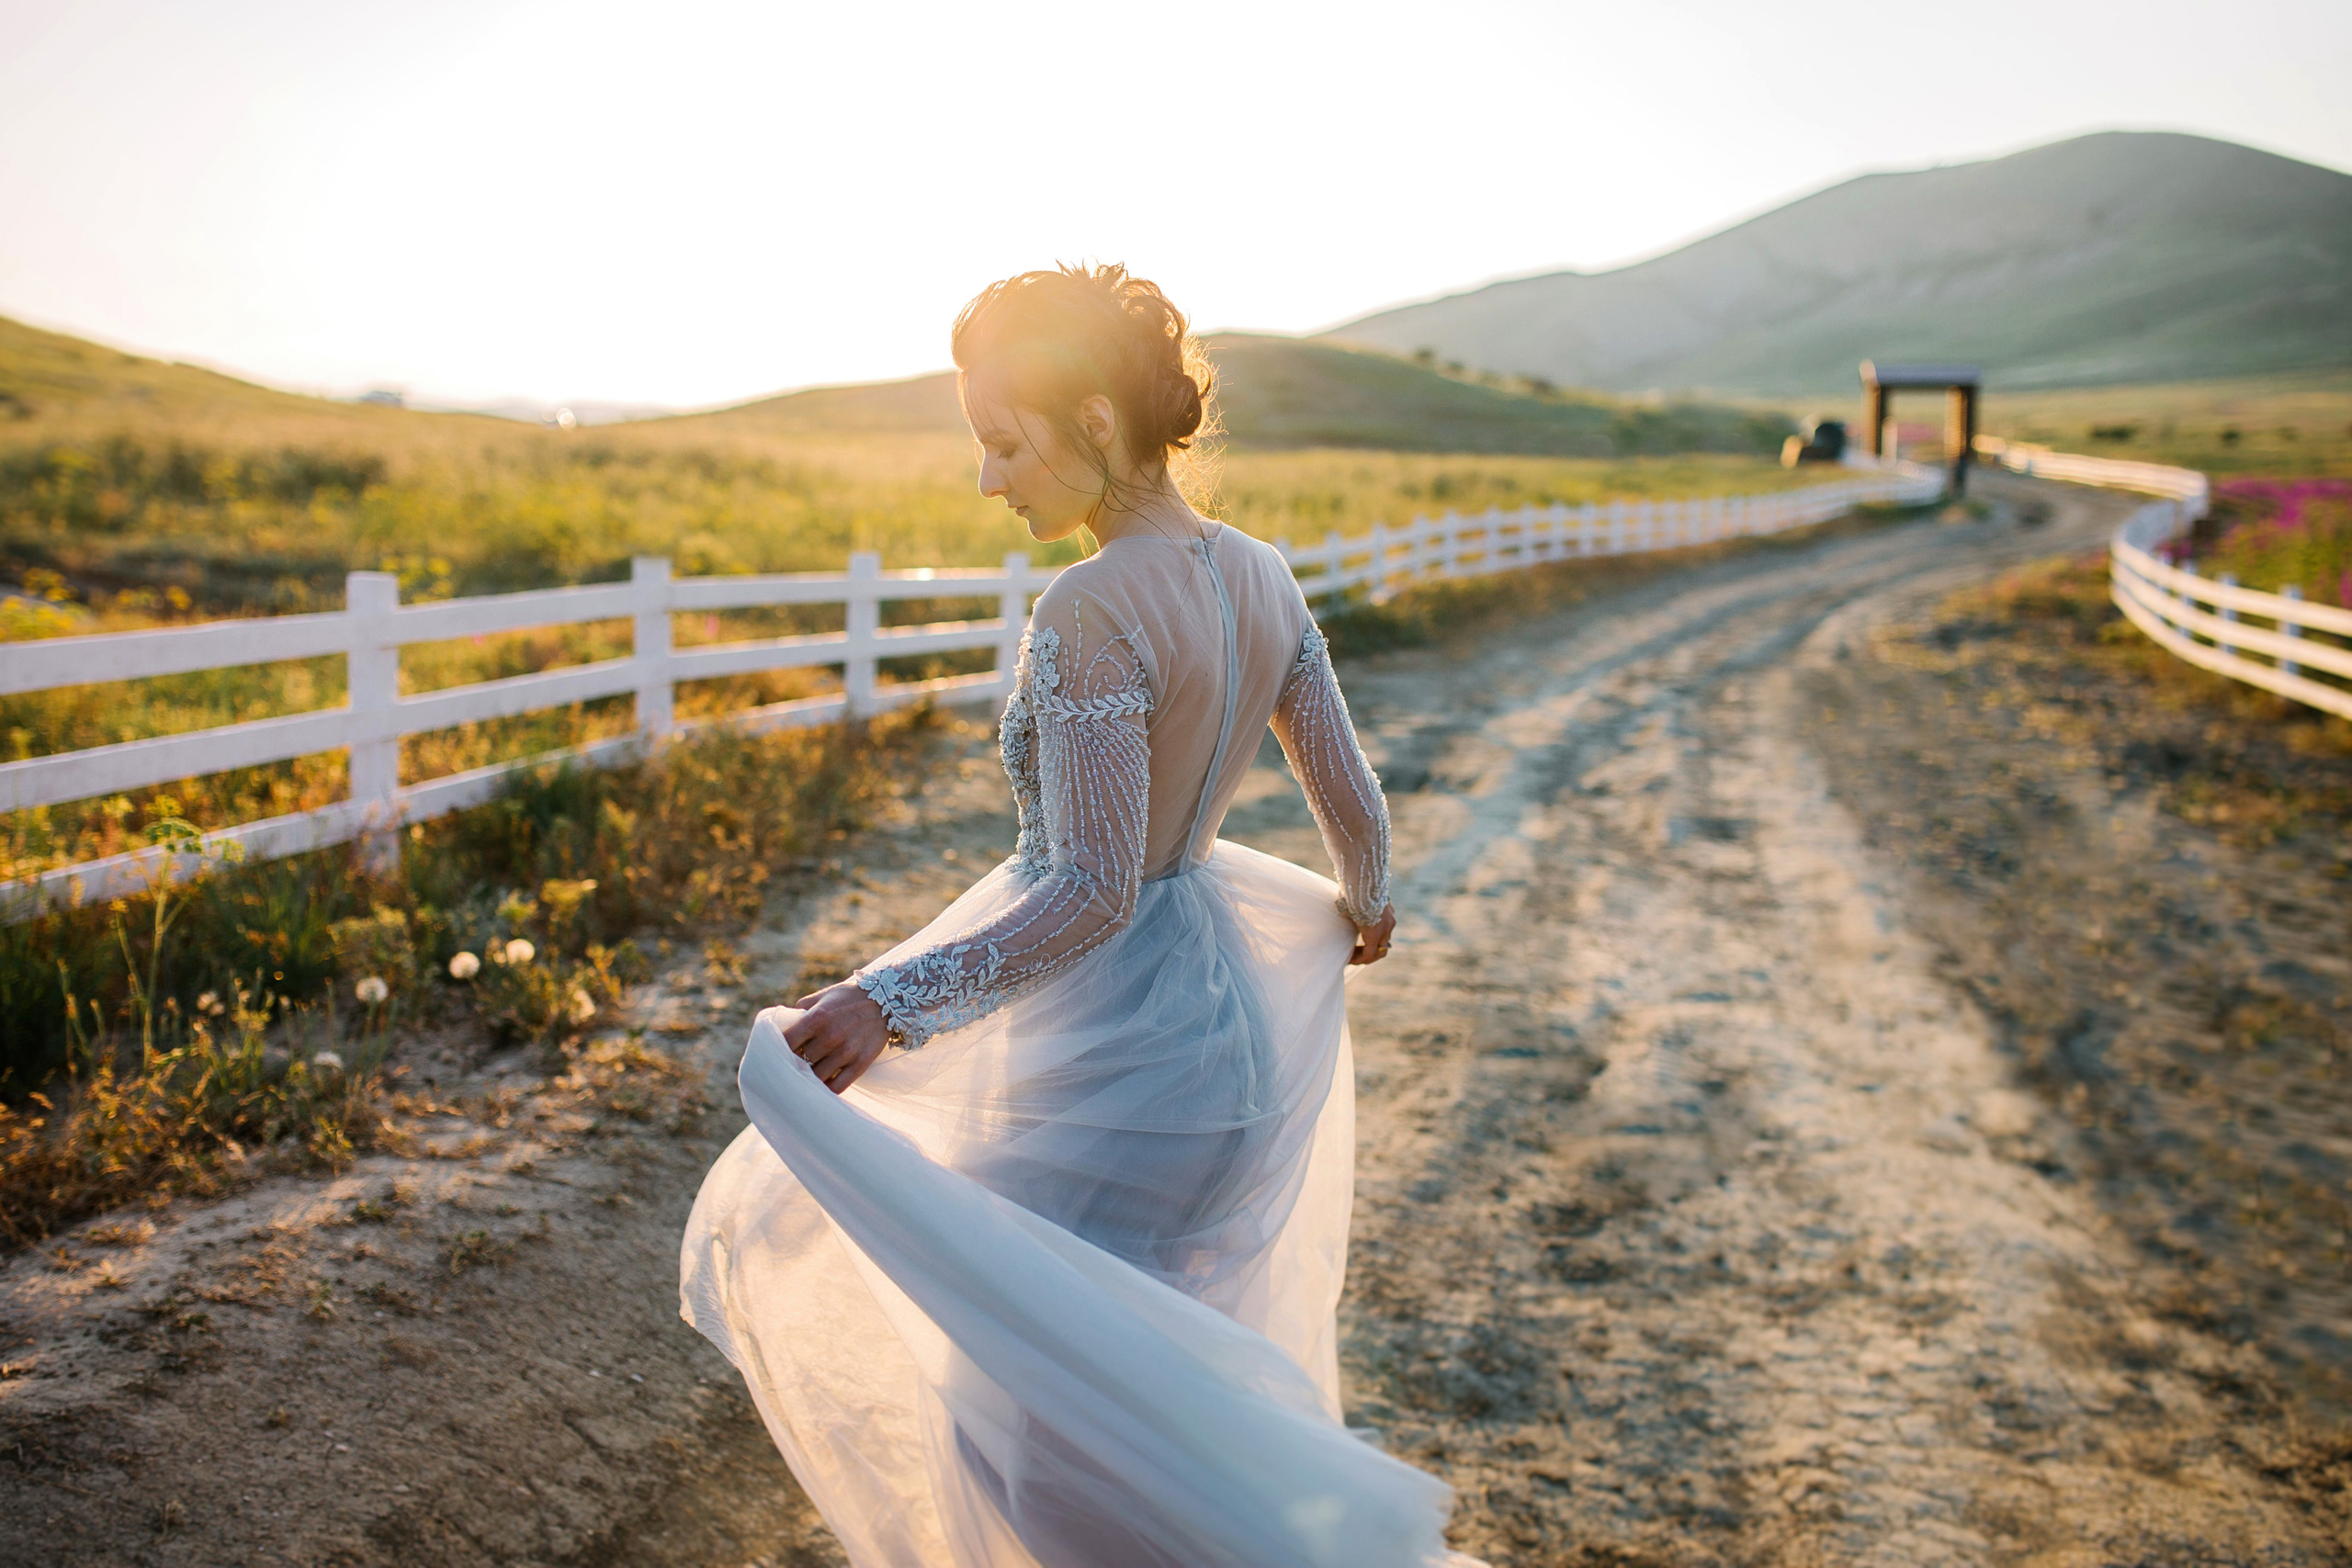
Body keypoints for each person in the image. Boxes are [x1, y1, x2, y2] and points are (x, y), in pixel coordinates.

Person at [681, 265, 1481, 1568]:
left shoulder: (1093, 605)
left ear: (1099, 423)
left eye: (1004, 442)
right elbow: (1353, 801)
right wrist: (1365, 904)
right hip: (1227, 1049)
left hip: (1116, 1065)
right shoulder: (1265, 576)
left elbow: (1097, 891)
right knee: (1146, 1400)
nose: (988, 480)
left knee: (1026, 1427)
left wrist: (886, 1001)